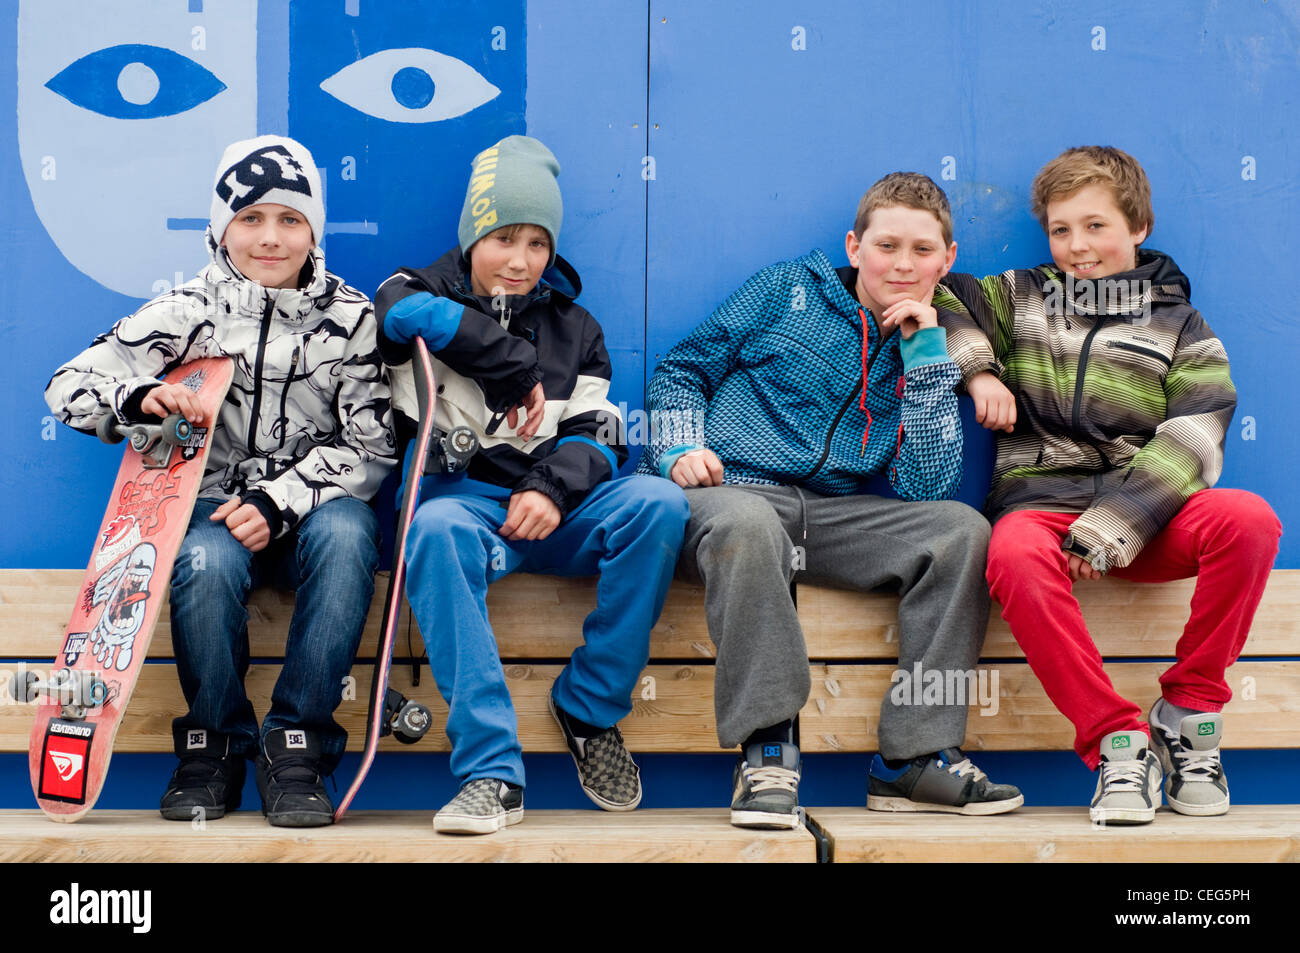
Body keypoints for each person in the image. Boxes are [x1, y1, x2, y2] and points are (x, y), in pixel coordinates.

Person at [638, 172, 1023, 829]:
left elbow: (924, 487)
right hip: (728, 496)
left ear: (948, 259)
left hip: (828, 517)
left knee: (960, 529)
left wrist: (927, 356)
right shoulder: (785, 290)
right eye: (887, 245)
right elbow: (683, 369)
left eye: (923, 250)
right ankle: (768, 750)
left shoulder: (929, 342)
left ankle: (913, 758)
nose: (903, 265)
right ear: (854, 246)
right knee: (750, 519)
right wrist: (677, 448)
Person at [45, 135, 397, 827]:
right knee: (202, 560)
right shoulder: (188, 309)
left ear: (314, 230)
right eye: (251, 218)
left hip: (310, 513)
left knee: (353, 533)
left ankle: (297, 745)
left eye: (290, 219)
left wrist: (279, 499)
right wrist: (138, 398)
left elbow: (373, 445)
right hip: (210, 508)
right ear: (221, 227)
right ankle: (215, 744)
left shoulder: (352, 319)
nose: (271, 238)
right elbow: (69, 384)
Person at [937, 145, 1282, 824]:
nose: (1077, 247)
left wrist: (1112, 527)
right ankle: (1117, 744)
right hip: (1042, 505)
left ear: (1138, 227)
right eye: (1061, 230)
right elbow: (944, 297)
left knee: (1248, 519)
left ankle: (1188, 711)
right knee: (1006, 551)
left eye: (1095, 226)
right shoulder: (1024, 297)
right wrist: (978, 371)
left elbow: (1195, 436)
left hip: (1145, 518)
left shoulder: (1184, 328)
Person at [374, 135, 689, 835]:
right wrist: (510, 362)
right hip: (464, 506)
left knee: (660, 503)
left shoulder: (577, 328)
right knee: (432, 527)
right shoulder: (412, 291)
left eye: (538, 243)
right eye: (502, 237)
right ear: (471, 235)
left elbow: (602, 435)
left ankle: (589, 703)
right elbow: (396, 311)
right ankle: (491, 771)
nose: (520, 261)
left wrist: (549, 487)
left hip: (560, 508)